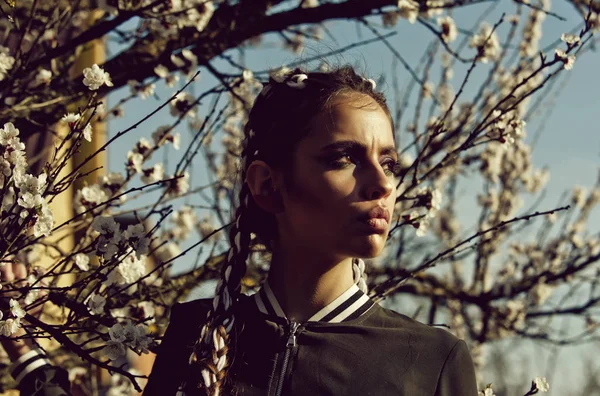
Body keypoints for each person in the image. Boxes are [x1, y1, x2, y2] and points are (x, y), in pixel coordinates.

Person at [2, 65, 479, 396]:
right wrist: (23, 348)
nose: (381, 183)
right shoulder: (196, 335)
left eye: (389, 162)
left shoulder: (430, 361)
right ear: (268, 185)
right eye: (344, 158)